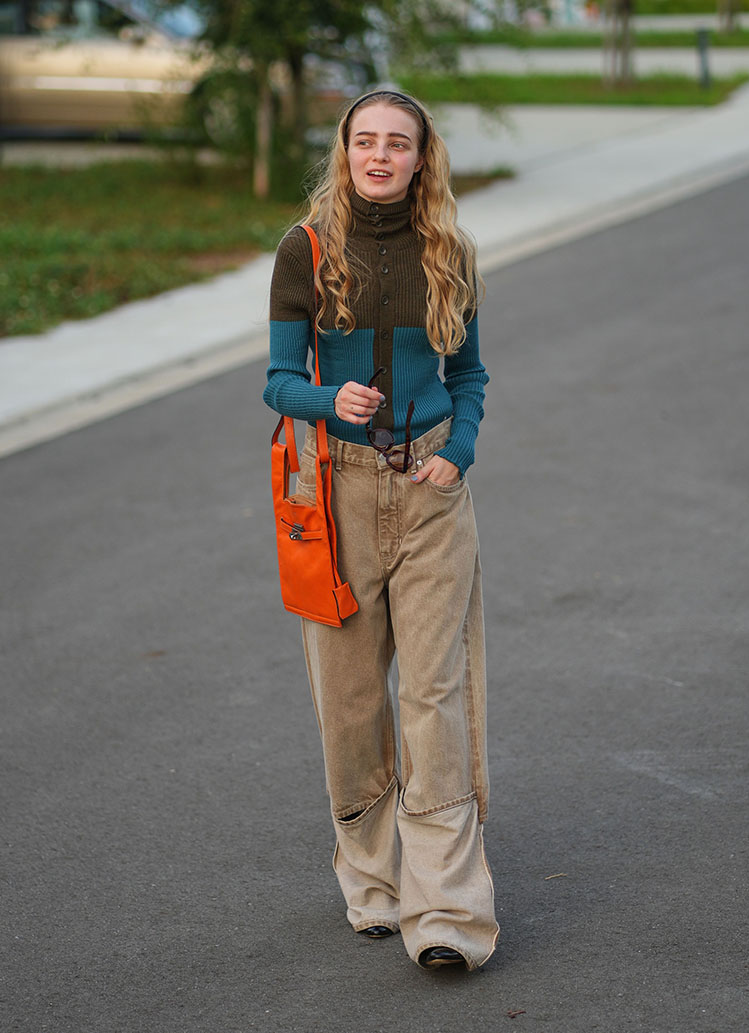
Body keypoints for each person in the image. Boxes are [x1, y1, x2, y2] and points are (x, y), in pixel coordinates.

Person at [264, 89, 498, 971]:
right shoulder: (307, 250)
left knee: (435, 697)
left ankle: (447, 912)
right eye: (366, 140)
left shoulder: (451, 251)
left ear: (420, 157)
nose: (380, 155)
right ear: (346, 151)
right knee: (352, 700)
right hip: (338, 489)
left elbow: (470, 374)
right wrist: (332, 399)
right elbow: (279, 382)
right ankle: (374, 880)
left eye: (397, 143)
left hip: (433, 486)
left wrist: (461, 450)